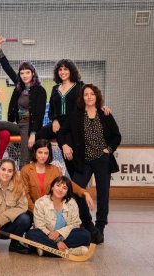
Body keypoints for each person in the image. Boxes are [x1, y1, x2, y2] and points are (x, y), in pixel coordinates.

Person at [59, 84, 121, 244]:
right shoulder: (76, 115)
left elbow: (116, 135)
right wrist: (64, 144)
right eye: (86, 94)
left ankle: (100, 227)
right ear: (82, 98)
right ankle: (87, 223)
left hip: (102, 159)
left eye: (92, 94)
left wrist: (109, 149)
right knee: (75, 190)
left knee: (103, 194)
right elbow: (63, 132)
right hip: (84, 160)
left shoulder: (105, 114)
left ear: (97, 96)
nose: (89, 97)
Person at [36, 59, 110, 176]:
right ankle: (46, 162)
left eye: (65, 69)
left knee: (69, 154)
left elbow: (91, 98)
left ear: (71, 71)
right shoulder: (55, 89)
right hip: (58, 123)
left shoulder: (80, 86)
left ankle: (77, 183)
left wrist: (102, 107)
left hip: (73, 124)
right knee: (38, 135)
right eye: (60, 69)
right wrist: (54, 120)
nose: (62, 72)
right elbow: (51, 109)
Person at [0, 37, 47, 168]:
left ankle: (24, 184)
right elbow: (7, 68)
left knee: (24, 160)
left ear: (33, 73)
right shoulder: (19, 86)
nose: (25, 75)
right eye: (22, 73)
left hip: (28, 126)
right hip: (17, 124)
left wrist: (33, 134)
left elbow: (39, 114)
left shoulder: (40, 90)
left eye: (27, 72)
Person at [20, 139, 94, 223]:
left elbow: (68, 183)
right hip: (32, 210)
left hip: (51, 210)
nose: (43, 156)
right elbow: (24, 195)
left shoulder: (54, 169)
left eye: (46, 153)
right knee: (23, 220)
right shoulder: (26, 170)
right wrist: (37, 212)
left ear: (49, 154)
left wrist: (84, 192)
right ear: (34, 153)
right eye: (40, 152)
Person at [25, 176, 91, 257]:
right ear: (52, 187)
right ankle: (69, 251)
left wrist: (59, 233)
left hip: (64, 236)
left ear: (67, 191)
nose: (60, 189)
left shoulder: (72, 203)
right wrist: (57, 241)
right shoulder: (40, 202)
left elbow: (75, 223)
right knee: (30, 235)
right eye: (58, 185)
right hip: (46, 235)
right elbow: (39, 225)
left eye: (64, 188)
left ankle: (47, 250)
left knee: (86, 235)